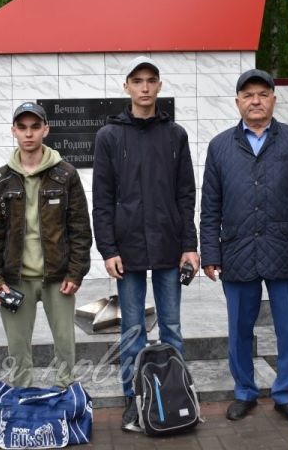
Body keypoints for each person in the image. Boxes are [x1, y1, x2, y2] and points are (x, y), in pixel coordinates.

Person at [200, 69, 288, 424]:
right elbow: (210, 206)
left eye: (262, 94)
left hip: (285, 251)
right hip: (236, 252)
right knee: (239, 328)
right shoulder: (220, 146)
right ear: (237, 101)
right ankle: (245, 392)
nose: (255, 100)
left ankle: (286, 394)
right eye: (248, 94)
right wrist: (210, 253)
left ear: (273, 99)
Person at [92, 56, 200, 432]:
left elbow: (186, 194)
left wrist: (190, 245)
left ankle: (176, 395)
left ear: (159, 86)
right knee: (132, 329)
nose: (144, 87)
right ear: (126, 87)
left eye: (150, 80)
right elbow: (102, 199)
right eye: (136, 81)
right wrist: (108, 249)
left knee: (171, 327)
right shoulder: (109, 136)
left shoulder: (175, 135)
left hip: (170, 246)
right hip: (129, 248)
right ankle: (133, 399)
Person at [0, 102, 91, 389]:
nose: (28, 133)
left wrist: (75, 273)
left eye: (34, 127)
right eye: (22, 127)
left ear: (46, 129)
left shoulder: (66, 175)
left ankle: (66, 395)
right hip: (15, 279)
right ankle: (21, 400)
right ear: (13, 131)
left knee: (66, 345)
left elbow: (80, 228)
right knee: (17, 350)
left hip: (58, 277)